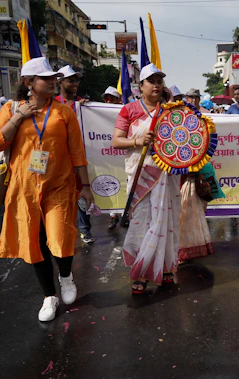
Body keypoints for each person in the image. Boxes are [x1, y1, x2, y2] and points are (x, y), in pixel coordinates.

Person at [0, 57, 94, 321]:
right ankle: (49, 296)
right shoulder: (12, 108)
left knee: (60, 237)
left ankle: (66, 276)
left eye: (53, 78)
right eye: (46, 78)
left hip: (59, 187)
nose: (53, 82)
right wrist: (18, 118)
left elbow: (77, 152)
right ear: (28, 83)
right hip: (23, 189)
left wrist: (86, 186)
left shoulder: (64, 112)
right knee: (34, 243)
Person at [112, 63, 180, 294]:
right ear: (140, 86)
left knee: (166, 220)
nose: (157, 85)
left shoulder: (171, 111)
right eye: (151, 81)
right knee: (142, 222)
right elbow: (116, 140)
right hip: (141, 175)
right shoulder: (129, 110)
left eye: (160, 81)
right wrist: (137, 142)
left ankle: (166, 267)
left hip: (166, 175)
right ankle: (141, 272)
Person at [56, 65, 94, 243]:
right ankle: (61, 230)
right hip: (58, 160)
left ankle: (85, 230)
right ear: (60, 82)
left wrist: (89, 109)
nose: (75, 83)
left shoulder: (83, 104)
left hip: (78, 158)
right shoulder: (52, 103)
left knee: (82, 193)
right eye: (70, 80)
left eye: (76, 80)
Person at [100, 86, 123, 229]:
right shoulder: (98, 110)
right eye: (106, 98)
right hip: (107, 156)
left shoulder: (125, 110)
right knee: (110, 184)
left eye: (111, 98)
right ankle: (113, 215)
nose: (108, 101)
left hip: (122, 155)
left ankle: (126, 214)